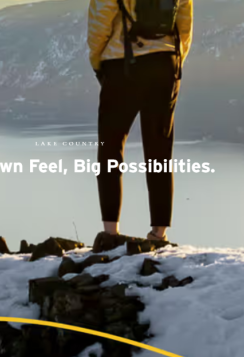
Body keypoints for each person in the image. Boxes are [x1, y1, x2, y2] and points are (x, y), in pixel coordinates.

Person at [88, 0, 193, 242]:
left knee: (110, 146)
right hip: (167, 64)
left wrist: (98, 62)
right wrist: (174, 60)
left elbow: (99, 24)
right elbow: (184, 25)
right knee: (160, 148)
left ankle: (110, 231)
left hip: (122, 65)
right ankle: (158, 232)